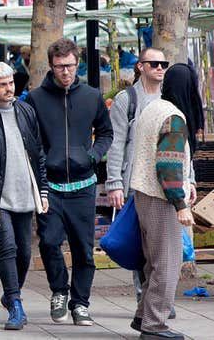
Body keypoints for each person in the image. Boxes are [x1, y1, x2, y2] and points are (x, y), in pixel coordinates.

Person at [25, 38, 113, 326]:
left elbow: (105, 132)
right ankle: (59, 292)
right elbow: (30, 139)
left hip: (83, 186)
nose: (65, 72)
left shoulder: (91, 96)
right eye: (60, 66)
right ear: (51, 66)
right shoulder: (36, 99)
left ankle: (81, 303)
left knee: (84, 250)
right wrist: (42, 161)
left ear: (78, 64)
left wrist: (93, 156)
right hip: (50, 187)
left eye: (70, 66)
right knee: (49, 243)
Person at [0, 62, 48, 330]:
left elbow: (38, 153)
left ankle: (10, 292)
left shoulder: (25, 111)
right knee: (9, 248)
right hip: (0, 196)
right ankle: (15, 304)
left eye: (11, 83)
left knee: (25, 252)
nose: (9, 88)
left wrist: (43, 189)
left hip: (25, 193)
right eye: (2, 84)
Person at [128, 64, 199, 340]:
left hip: (143, 195)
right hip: (160, 197)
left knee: (153, 262)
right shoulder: (174, 117)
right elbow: (168, 167)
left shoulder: (154, 108)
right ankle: (154, 325)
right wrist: (180, 204)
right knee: (167, 263)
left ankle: (142, 316)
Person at [107, 48, 170, 306]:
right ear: (140, 66)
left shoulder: (169, 98)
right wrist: (114, 183)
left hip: (166, 184)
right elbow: (115, 143)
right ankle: (144, 298)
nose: (159, 68)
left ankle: (158, 299)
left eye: (163, 64)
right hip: (137, 183)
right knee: (141, 246)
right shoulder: (127, 99)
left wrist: (188, 179)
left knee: (162, 247)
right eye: (153, 63)